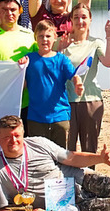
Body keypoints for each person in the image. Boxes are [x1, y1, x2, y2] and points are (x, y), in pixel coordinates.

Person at [66, 4, 110, 152]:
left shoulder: (96, 43)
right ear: (71, 20)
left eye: (84, 17)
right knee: (66, 149)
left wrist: (109, 37)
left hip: (91, 101)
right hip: (66, 103)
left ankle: (88, 175)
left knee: (89, 148)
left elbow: (109, 62)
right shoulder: (62, 43)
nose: (80, 21)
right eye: (76, 17)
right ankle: (68, 176)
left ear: (90, 20)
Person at [22, 20, 83, 148]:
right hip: (35, 117)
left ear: (55, 37)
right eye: (41, 36)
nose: (45, 39)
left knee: (61, 155)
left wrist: (78, 84)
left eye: (48, 36)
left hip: (60, 115)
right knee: (39, 156)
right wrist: (20, 66)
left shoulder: (61, 59)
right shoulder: (29, 59)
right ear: (36, 38)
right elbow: (21, 84)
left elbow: (74, 76)